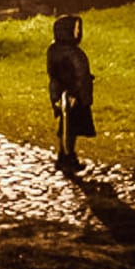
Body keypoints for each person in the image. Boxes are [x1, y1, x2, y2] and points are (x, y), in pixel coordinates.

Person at [46, 14, 95, 174]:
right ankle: (67, 157)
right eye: (75, 29)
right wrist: (75, 92)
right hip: (73, 95)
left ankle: (64, 155)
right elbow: (78, 76)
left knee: (66, 126)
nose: (78, 32)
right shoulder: (72, 53)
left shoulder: (55, 50)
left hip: (65, 94)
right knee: (70, 127)